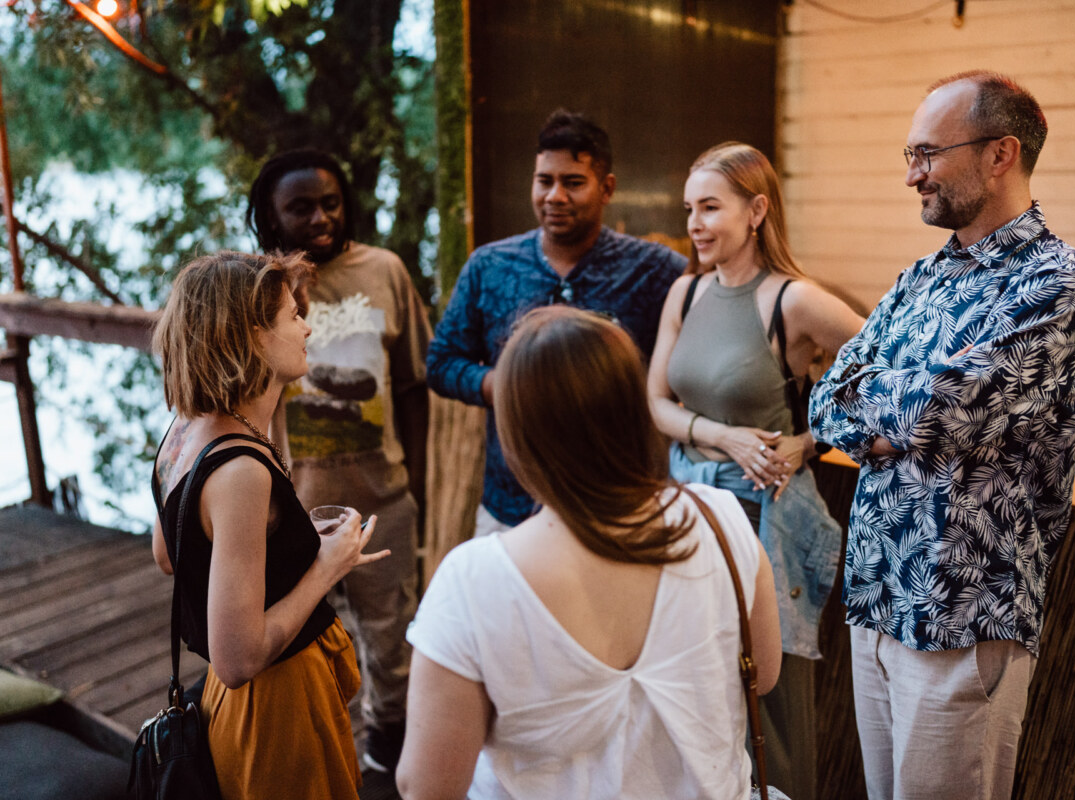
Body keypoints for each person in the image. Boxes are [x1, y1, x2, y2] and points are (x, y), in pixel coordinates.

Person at [809, 71, 1075, 799]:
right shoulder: (921, 278)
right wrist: (896, 418)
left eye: (927, 154)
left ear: (1000, 154)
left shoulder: (1059, 283)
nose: (912, 175)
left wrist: (888, 418)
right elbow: (824, 401)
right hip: (876, 595)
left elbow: (944, 410)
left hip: (963, 611)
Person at [395, 305, 782, 799]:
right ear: (634, 411)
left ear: (518, 433)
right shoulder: (720, 517)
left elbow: (426, 787)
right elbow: (764, 674)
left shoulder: (475, 581)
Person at [646, 141, 864, 799]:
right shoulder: (684, 292)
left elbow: (887, 376)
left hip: (761, 519)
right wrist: (724, 436)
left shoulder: (794, 302)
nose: (695, 225)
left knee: (766, 694)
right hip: (686, 509)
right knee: (694, 686)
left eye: (710, 207)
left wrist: (810, 441)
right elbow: (655, 402)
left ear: (758, 210)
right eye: (690, 209)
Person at [150, 251, 389, 799]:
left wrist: (275, 540)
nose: (307, 326)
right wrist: (327, 566)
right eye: (291, 316)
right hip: (274, 709)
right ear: (252, 336)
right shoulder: (240, 471)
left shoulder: (183, 432)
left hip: (226, 707)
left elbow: (170, 553)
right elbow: (237, 660)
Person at [246, 149, 431, 772]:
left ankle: (387, 748)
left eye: (330, 202)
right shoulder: (254, 287)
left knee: (391, 634)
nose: (320, 217)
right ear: (270, 214)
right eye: (300, 207)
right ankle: (321, 752)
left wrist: (420, 483)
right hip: (289, 508)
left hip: (382, 495)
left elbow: (410, 386)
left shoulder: (385, 270)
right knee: (305, 639)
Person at [426, 109, 686, 537]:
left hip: (618, 503)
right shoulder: (489, 266)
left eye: (573, 182)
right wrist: (503, 384)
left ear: (607, 189)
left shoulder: (656, 271)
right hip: (510, 505)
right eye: (544, 181)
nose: (554, 196)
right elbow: (440, 362)